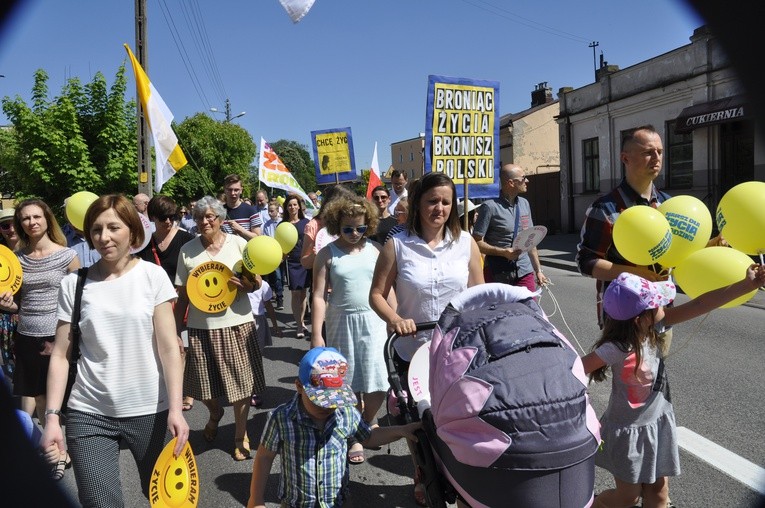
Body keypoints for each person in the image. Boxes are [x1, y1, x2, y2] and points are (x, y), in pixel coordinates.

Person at [582, 267, 765, 508]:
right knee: (627, 497)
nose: (662, 308)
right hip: (628, 433)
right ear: (640, 319)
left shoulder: (656, 325)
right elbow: (577, 368)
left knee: (659, 492)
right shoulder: (615, 348)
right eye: (656, 304)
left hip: (656, 424)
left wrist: (746, 285)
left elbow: (701, 304)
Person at [369, 172, 483, 506]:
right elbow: (376, 294)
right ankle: (423, 470)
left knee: (462, 421)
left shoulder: (466, 244)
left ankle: (463, 480)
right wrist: (395, 319)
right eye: (432, 201)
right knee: (421, 423)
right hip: (413, 351)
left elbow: (479, 293)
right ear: (418, 203)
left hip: (458, 350)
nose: (440, 208)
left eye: (446, 202)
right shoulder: (398, 244)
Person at [246, 347, 421, 508]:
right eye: (321, 402)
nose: (328, 407)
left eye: (334, 400)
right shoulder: (281, 418)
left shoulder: (346, 413)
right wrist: (256, 499)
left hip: (338, 502)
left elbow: (369, 436)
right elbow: (264, 457)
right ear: (299, 386)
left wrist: (401, 431)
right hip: (296, 503)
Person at [174, 196, 265, 461]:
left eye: (210, 216)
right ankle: (215, 413)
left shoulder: (238, 244)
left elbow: (257, 281)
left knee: (241, 387)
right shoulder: (187, 250)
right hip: (201, 328)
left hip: (236, 324)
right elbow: (182, 295)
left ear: (221, 220)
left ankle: (240, 435)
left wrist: (249, 286)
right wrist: (175, 331)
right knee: (202, 387)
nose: (205, 221)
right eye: (200, 217)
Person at [0, 200, 79, 476]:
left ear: (47, 219)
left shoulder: (67, 256)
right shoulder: (17, 259)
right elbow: (18, 302)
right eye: (25, 218)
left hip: (57, 336)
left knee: (52, 399)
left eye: (36, 216)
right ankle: (57, 452)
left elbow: (78, 302)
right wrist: (8, 305)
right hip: (26, 336)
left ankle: (57, 452)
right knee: (38, 397)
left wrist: (64, 340)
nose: (31, 222)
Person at [311, 194, 388, 465]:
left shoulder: (378, 250)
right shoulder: (326, 253)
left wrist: (395, 318)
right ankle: (356, 434)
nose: (354, 233)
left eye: (360, 228)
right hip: (340, 321)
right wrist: (316, 333)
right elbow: (318, 296)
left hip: (374, 321)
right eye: (347, 228)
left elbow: (387, 290)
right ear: (336, 225)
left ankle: (366, 422)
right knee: (348, 381)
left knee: (379, 379)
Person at [136, 195, 196, 412]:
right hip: (156, 305)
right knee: (161, 348)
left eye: (171, 216)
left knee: (183, 348)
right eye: (162, 218)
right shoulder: (145, 243)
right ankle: (167, 390)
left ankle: (184, 393)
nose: (168, 222)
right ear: (152, 217)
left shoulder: (186, 239)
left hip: (183, 302)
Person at [472, 163, 549, 292]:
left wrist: (538, 271)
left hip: (524, 270)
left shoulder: (525, 204)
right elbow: (476, 242)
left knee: (529, 309)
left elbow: (531, 240)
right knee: (499, 311)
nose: (527, 181)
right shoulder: (489, 206)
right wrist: (503, 252)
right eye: (523, 178)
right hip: (497, 272)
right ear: (511, 183)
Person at [283, 195, 311, 339]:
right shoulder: (282, 225)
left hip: (304, 260)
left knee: (303, 293)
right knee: (295, 293)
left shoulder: (306, 222)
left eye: (295, 205)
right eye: (290, 205)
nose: (292, 207)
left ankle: (302, 321)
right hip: (292, 262)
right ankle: (299, 325)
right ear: (286, 208)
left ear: (299, 206)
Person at [0, 208, 19, 379]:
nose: (11, 229)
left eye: (15, 224)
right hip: (3, 320)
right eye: (5, 225)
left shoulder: (33, 252)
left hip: (27, 319)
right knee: (9, 374)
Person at [222, 174, 262, 239]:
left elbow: (258, 237)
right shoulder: (219, 211)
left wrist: (240, 229)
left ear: (241, 190)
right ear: (225, 190)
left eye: (236, 190)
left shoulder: (250, 210)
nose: (233, 193)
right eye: (229, 189)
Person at [261, 201, 284, 311]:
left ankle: (279, 293)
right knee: (276, 276)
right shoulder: (267, 224)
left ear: (277, 210)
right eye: (269, 211)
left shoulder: (282, 223)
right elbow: (266, 238)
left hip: (283, 252)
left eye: (272, 211)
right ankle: (278, 297)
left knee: (281, 276)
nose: (270, 213)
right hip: (272, 253)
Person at [247, 279, 281, 352]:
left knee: (258, 349)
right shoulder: (238, 284)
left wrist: (275, 325)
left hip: (258, 320)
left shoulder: (263, 284)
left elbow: (268, 305)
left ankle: (256, 362)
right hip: (243, 320)